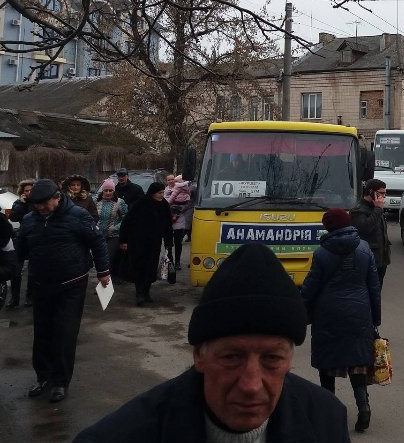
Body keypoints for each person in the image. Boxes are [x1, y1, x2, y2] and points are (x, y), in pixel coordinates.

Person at [74, 242, 351, 442]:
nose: (251, 385)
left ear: (289, 360)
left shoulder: (327, 419)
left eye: (272, 359)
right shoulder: (120, 435)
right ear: (199, 356)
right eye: (232, 357)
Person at [16, 179, 110, 403]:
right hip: (41, 285)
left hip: (71, 285)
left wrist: (103, 271)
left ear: (57, 198)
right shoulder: (30, 220)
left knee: (64, 333)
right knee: (42, 333)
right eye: (37, 204)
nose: (41, 208)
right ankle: (43, 377)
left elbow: (97, 242)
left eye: (45, 203)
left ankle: (60, 381)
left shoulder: (77, 215)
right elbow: (21, 249)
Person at [301, 208, 381, 434]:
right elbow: (374, 286)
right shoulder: (364, 248)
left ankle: (329, 413)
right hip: (359, 312)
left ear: (328, 227)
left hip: (329, 315)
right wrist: (375, 318)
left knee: (328, 363)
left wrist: (299, 311)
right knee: (357, 361)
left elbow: (310, 288)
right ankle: (363, 406)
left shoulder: (321, 253)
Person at [118, 182, 173, 306]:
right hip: (138, 241)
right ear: (152, 193)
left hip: (154, 243)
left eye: (163, 192)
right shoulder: (141, 203)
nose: (162, 195)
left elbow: (167, 225)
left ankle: (146, 292)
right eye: (159, 193)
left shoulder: (164, 205)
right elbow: (127, 222)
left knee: (151, 267)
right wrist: (123, 240)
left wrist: (169, 243)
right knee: (139, 267)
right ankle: (139, 293)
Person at [349, 178, 391, 286]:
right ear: (371, 192)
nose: (383, 197)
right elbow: (365, 229)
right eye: (381, 193)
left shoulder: (377, 208)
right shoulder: (358, 210)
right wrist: (378, 209)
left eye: (385, 193)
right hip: (368, 259)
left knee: (377, 289)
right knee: (368, 289)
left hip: (381, 260)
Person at [8, 178, 35, 308]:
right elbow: (13, 217)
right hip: (21, 237)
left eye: (31, 190)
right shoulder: (18, 202)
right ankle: (14, 298)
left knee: (33, 270)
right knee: (16, 269)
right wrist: (21, 204)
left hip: (35, 237)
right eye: (26, 190)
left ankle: (30, 297)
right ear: (22, 192)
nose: (28, 193)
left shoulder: (38, 203)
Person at [96, 179, 128, 282]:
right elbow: (91, 216)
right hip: (99, 235)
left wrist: (115, 227)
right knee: (100, 258)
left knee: (108, 257)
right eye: (106, 190)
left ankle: (110, 279)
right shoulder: (96, 202)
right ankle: (106, 278)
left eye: (110, 190)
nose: (108, 192)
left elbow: (126, 219)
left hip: (114, 235)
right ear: (102, 191)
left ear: (114, 191)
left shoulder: (119, 202)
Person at [167, 175, 193, 270]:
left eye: (172, 179)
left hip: (179, 220)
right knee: (168, 243)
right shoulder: (165, 190)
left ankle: (177, 262)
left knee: (178, 242)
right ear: (166, 181)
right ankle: (170, 261)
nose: (171, 181)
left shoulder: (183, 189)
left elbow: (188, 203)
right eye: (168, 180)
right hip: (168, 221)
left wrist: (179, 209)